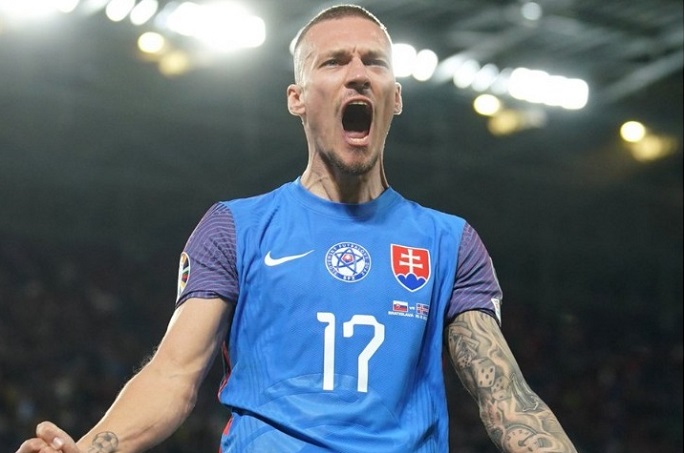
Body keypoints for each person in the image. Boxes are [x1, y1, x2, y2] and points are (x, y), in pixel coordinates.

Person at [17, 4, 577, 453]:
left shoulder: (449, 242)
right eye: (334, 62)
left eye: (375, 62)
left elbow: (505, 397)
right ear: (298, 99)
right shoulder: (236, 227)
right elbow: (173, 375)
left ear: (396, 97)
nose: (358, 73)